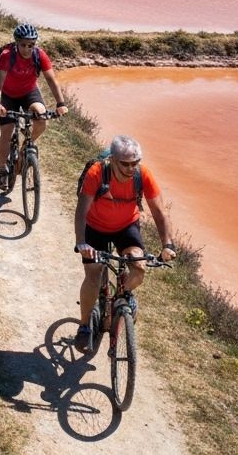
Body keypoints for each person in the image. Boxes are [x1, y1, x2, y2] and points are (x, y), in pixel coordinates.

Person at [73, 134, 177, 352]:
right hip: (95, 227)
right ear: (112, 159)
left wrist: (167, 244)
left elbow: (159, 212)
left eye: (135, 163)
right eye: (125, 164)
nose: (131, 168)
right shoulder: (97, 173)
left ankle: (123, 294)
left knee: (139, 266)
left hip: (126, 227)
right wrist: (82, 242)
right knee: (93, 273)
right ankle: (84, 326)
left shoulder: (142, 174)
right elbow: (82, 211)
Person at [0, 23, 69, 189]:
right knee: (7, 133)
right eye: (23, 45)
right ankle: (2, 169)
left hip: (29, 93)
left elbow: (51, 80)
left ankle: (27, 145)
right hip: (8, 95)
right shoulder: (6, 56)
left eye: (31, 45)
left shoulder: (39, 55)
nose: (27, 49)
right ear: (16, 43)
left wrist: (61, 103)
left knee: (41, 116)